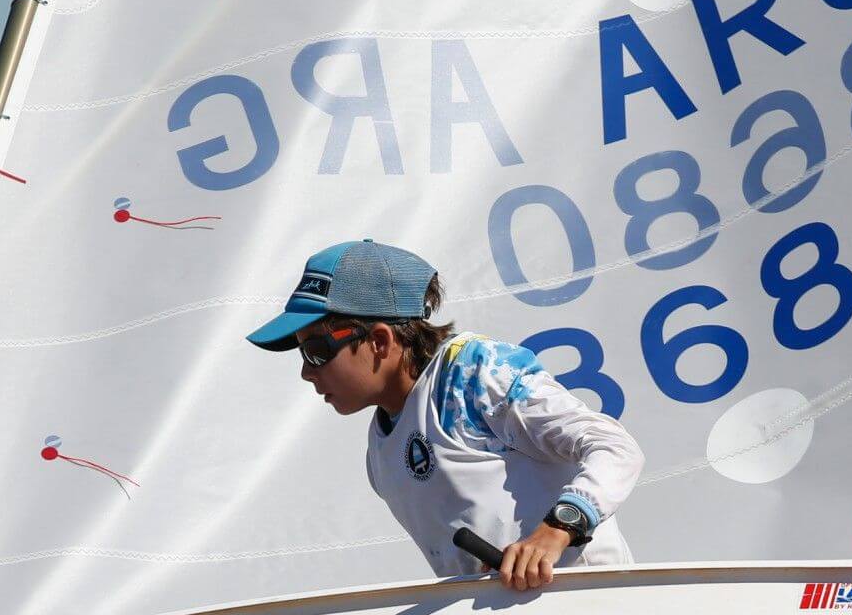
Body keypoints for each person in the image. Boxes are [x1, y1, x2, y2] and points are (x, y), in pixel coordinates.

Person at [248, 239, 643, 591]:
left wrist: (557, 530)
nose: (307, 371)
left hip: (594, 611)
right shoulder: (379, 454)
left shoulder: (475, 372)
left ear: (380, 340)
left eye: (315, 351)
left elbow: (615, 447)